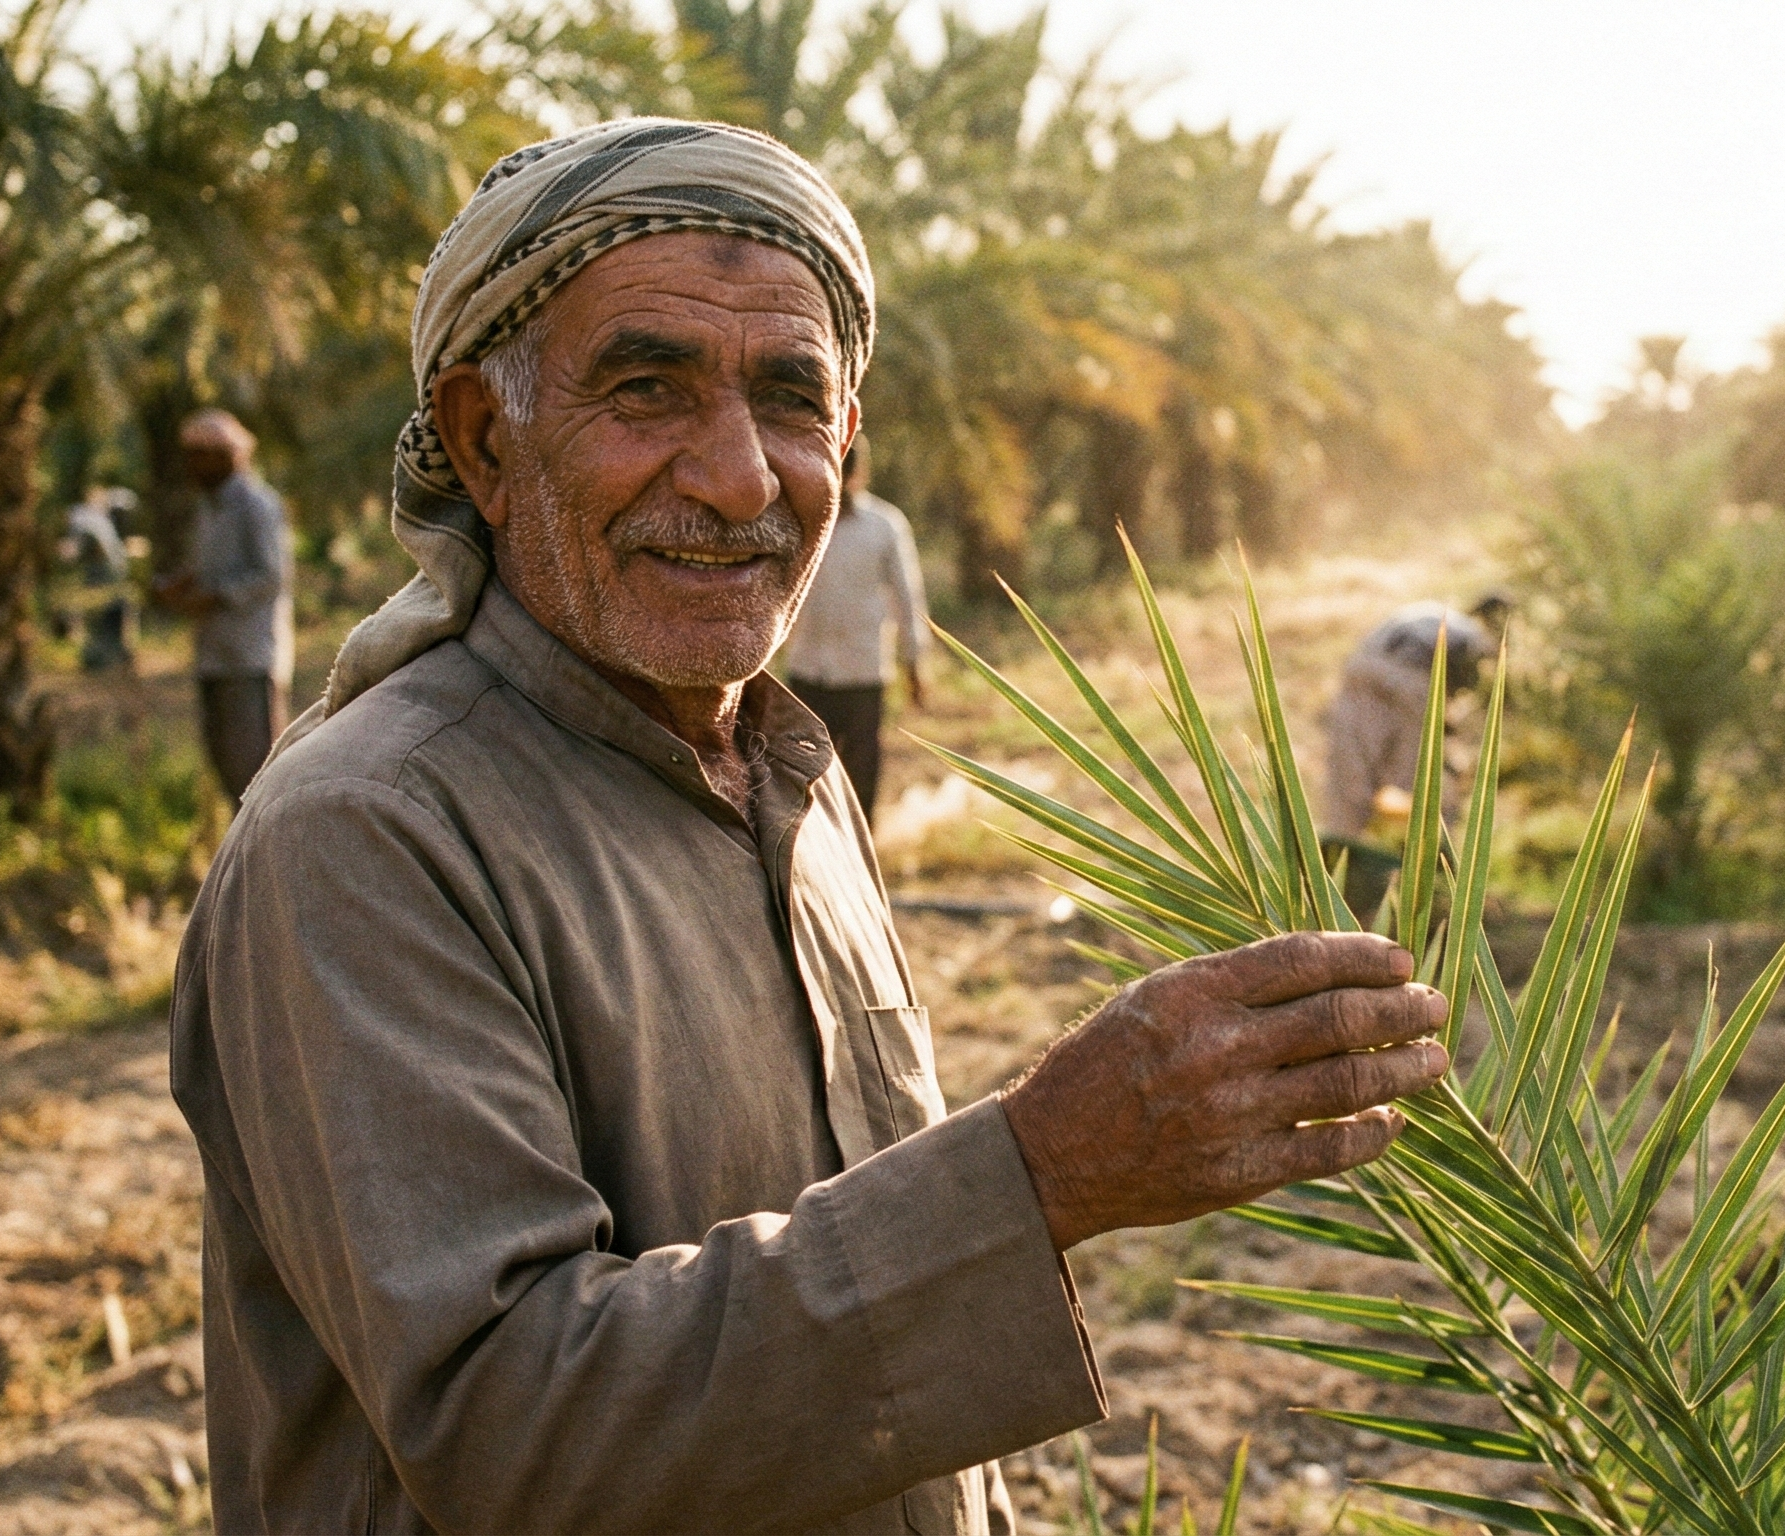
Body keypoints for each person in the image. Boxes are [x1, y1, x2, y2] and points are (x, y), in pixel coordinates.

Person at [168, 118, 1448, 1535]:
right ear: (485, 440)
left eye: (789, 400)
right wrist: (1039, 1172)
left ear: (843, 437)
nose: (739, 477)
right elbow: (509, 1429)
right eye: (646, 390)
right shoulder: (367, 835)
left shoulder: (788, 775)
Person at [151, 409, 292, 806]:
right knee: (227, 767)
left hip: (249, 655)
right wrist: (181, 584)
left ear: (227, 455)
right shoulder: (209, 507)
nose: (191, 464)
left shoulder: (257, 505)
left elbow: (271, 576)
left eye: (199, 455)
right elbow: (209, 568)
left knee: (255, 771)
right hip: (213, 654)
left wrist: (215, 597)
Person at [781, 438, 929, 816]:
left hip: (863, 673)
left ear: (859, 473)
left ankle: (862, 847)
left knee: (862, 776)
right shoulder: (799, 520)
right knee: (804, 778)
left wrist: (914, 663)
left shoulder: (885, 526)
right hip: (808, 672)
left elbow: (908, 599)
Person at [1319, 594, 1511, 841]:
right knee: (1421, 776)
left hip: (1360, 671)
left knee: (1353, 766)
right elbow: (1455, 686)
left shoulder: (1431, 612)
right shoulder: (1472, 635)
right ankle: (1437, 847)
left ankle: (1342, 842)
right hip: (1409, 682)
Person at [56, 485, 134, 674]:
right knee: (112, 618)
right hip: (113, 576)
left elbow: (75, 550)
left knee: (100, 621)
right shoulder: (98, 520)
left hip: (102, 579)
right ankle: (116, 658)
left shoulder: (83, 520)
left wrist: (65, 553)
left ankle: (100, 660)